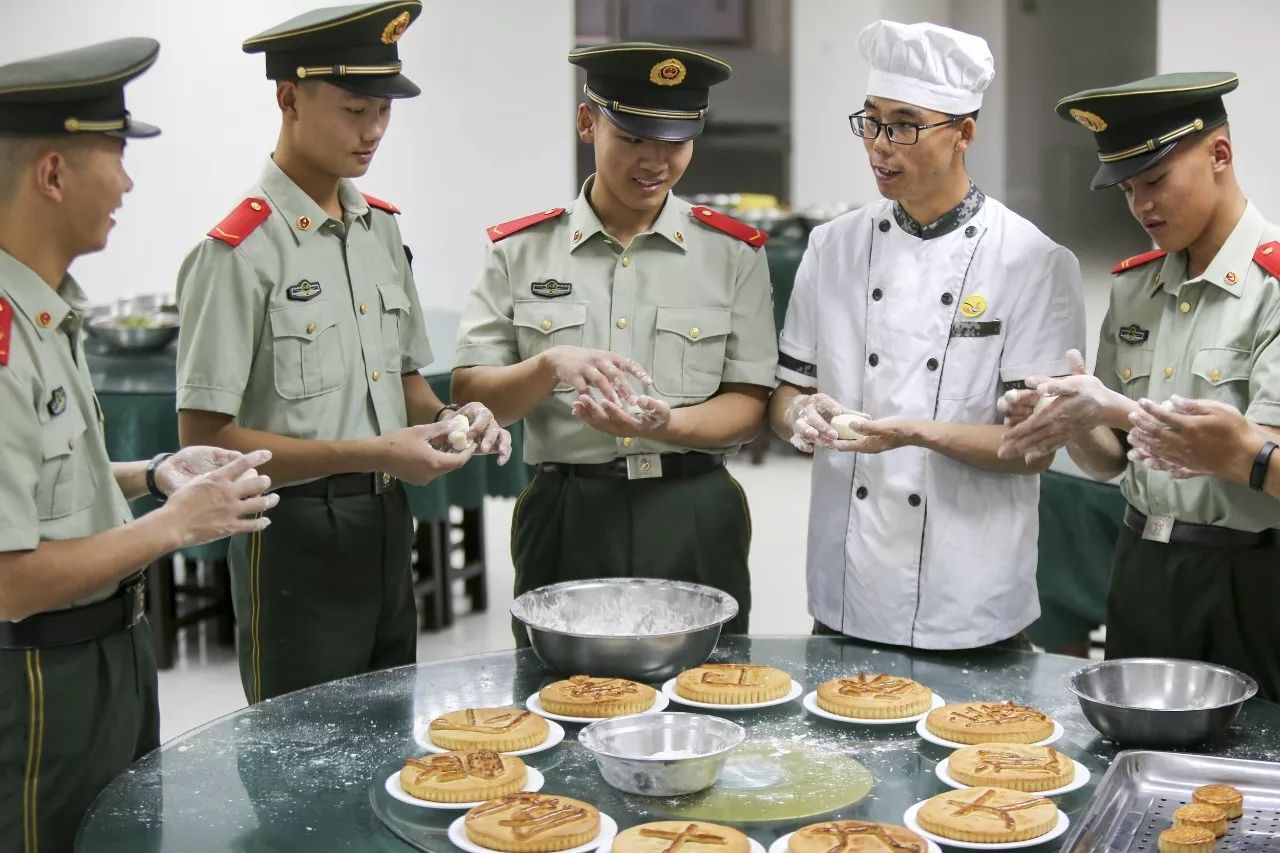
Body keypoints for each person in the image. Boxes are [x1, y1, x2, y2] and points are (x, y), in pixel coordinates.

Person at [175, 0, 510, 704]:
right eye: (356, 109)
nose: (374, 131)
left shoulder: (379, 230)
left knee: (385, 741)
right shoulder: (239, 252)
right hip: (293, 533)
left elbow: (408, 383)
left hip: (387, 526)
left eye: (384, 111)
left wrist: (457, 420)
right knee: (297, 763)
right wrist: (374, 453)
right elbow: (204, 440)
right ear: (289, 98)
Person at [0, 38, 276, 852]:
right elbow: (9, 579)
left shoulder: (48, 312)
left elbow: (50, 491)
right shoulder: (6, 337)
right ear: (52, 174)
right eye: (115, 157)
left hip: (108, 656)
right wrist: (174, 525)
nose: (127, 182)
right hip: (39, 680)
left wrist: (155, 475)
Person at [767, 20, 1086, 651]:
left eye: (906, 124)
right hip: (845, 588)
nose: (881, 146)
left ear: (964, 133)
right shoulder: (833, 247)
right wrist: (799, 414)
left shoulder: (1031, 261)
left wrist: (910, 432)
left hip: (969, 596)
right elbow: (785, 396)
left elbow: (1035, 449)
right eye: (873, 121)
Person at [451, 43, 777, 640]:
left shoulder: (733, 254)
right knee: (560, 699)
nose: (654, 162)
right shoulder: (519, 250)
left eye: (675, 143)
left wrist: (666, 426)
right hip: (569, 509)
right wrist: (548, 364)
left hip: (695, 509)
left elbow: (749, 404)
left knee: (709, 696)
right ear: (587, 123)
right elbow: (474, 392)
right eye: (631, 139)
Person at [1000, 72, 1280, 700]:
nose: (1141, 206)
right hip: (1142, 563)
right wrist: (1074, 418)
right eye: (1127, 188)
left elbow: (1250, 452)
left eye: (1155, 180)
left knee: (1253, 770)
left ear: (1220, 155)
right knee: (1131, 748)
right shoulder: (1135, 287)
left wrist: (1115, 406)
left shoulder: (1272, 289)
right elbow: (1109, 462)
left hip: (1247, 574)